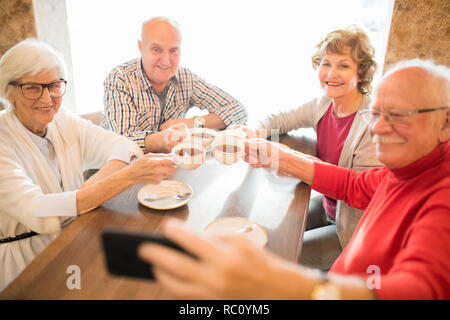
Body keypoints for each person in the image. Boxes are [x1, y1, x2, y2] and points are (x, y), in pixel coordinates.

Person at [138, 59, 450, 299]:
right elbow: (352, 185)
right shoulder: (406, 169)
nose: (377, 129)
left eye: (397, 115)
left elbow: (418, 289)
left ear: (445, 121)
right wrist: (278, 154)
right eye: (377, 114)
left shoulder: (442, 193)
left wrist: (288, 284)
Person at [0, 39, 175, 291]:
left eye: (53, 85)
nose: (47, 98)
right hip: (24, 261)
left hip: (72, 239)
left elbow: (125, 147)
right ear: (9, 91)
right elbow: (39, 211)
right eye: (31, 88)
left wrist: (86, 192)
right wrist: (125, 177)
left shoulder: (62, 120)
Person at [240, 26, 382, 270]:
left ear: (361, 73)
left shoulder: (370, 125)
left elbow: (355, 190)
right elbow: (281, 118)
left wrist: (287, 161)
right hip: (330, 208)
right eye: (326, 63)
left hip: (354, 233)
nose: (331, 73)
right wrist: (255, 130)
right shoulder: (324, 103)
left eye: (343, 66)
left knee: (277, 256)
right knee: (265, 231)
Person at [104, 16, 248, 154]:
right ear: (140, 47)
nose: (166, 61)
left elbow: (237, 110)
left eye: (173, 50)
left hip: (167, 166)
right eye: (156, 49)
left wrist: (193, 123)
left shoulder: (186, 78)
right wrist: (164, 139)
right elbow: (124, 142)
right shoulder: (120, 79)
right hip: (116, 166)